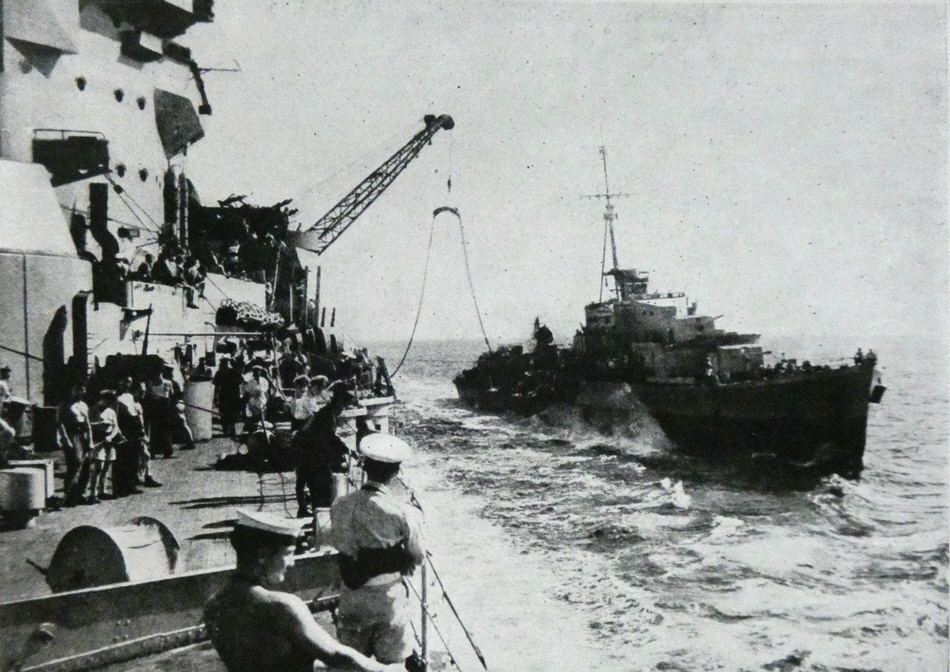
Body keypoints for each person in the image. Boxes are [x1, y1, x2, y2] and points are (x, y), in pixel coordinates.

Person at [203, 510, 389, 672]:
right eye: (288, 553)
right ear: (262, 556)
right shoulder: (282, 606)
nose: (292, 563)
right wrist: (386, 670)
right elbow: (335, 655)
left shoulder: (213, 605)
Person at [330, 434, 424, 666]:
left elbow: (341, 546)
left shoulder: (340, 505)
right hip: (387, 598)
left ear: (364, 466)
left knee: (351, 663)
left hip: (351, 597)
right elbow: (418, 556)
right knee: (392, 664)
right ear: (395, 471)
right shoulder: (402, 511)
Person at [292, 384, 352, 518]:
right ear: (338, 402)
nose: (342, 410)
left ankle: (306, 510)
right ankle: (316, 514)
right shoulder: (327, 415)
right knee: (320, 486)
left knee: (305, 482)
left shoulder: (326, 412)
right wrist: (344, 448)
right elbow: (329, 437)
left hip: (305, 451)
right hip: (309, 454)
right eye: (343, 406)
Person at [117, 379, 161, 494]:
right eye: (140, 392)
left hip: (141, 432)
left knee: (145, 455)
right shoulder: (126, 401)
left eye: (144, 392)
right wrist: (141, 433)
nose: (143, 394)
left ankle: (146, 476)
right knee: (138, 456)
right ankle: (138, 479)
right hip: (134, 433)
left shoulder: (137, 403)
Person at [57, 383, 92, 506]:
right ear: (72, 390)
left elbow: (88, 424)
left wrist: (90, 440)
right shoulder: (65, 405)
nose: (80, 392)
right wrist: (65, 438)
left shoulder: (83, 405)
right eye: (77, 390)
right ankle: (70, 496)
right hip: (72, 435)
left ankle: (81, 494)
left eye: (82, 390)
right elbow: (60, 423)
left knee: (86, 465)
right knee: (74, 464)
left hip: (83, 435)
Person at [88, 389, 122, 503]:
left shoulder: (111, 411)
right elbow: (88, 426)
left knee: (106, 468)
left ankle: (102, 491)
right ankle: (92, 494)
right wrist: (100, 424)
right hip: (98, 440)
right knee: (98, 467)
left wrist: (111, 436)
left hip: (109, 440)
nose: (109, 404)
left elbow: (115, 427)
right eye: (107, 400)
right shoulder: (92, 410)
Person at [213, 356, 244, 439]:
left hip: (233, 396)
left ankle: (232, 427)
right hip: (223, 396)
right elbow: (216, 386)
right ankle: (226, 429)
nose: (225, 365)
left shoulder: (234, 372)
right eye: (223, 363)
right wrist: (215, 397)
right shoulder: (219, 373)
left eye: (227, 363)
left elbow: (241, 381)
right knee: (223, 413)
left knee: (233, 413)